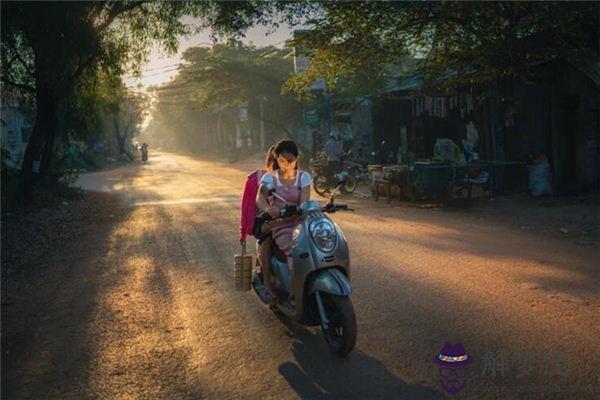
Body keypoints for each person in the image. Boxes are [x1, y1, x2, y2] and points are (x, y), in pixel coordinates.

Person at [256, 139, 312, 300]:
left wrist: (302, 208)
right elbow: (260, 197)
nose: (286, 164)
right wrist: (268, 209)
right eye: (282, 160)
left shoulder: (304, 177)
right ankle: (296, 294)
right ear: (277, 159)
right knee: (297, 253)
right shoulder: (269, 178)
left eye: (290, 160)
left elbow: (305, 201)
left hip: (302, 223)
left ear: (296, 159)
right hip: (281, 225)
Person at [239, 145, 276, 246]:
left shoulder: (291, 180)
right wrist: (243, 233)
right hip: (261, 221)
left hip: (286, 220)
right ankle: (266, 261)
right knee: (268, 237)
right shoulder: (254, 179)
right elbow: (246, 206)